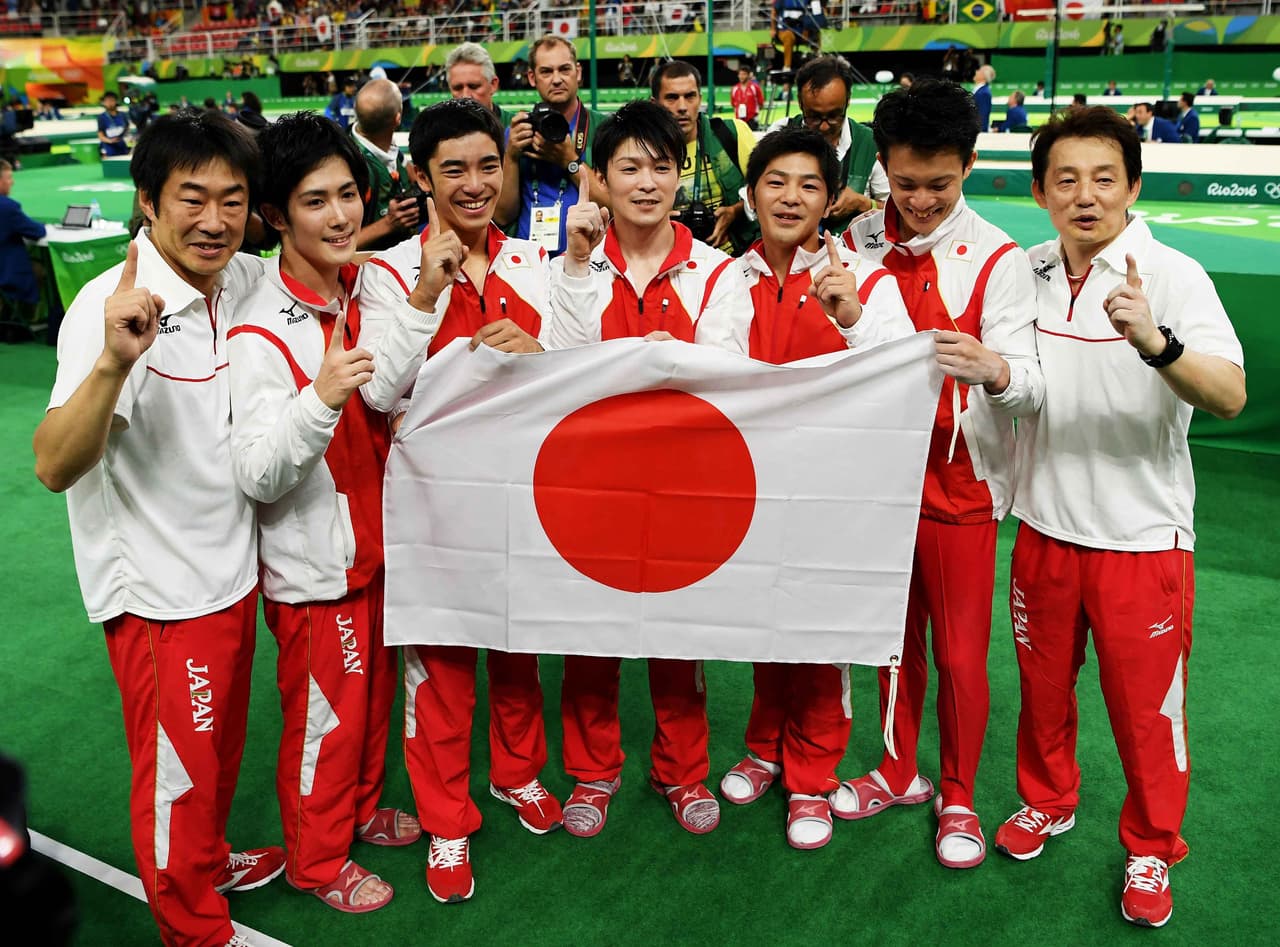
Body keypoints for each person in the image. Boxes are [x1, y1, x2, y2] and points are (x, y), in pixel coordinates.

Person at [32, 108, 284, 947]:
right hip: (162, 597)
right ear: (148, 200)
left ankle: (206, 858)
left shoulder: (241, 277)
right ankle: (193, 925)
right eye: (191, 197)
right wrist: (113, 361)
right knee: (177, 772)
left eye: (232, 198)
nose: (214, 219)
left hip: (231, 572)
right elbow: (54, 464)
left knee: (211, 755)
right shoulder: (109, 310)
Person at [1000, 105, 1245, 929]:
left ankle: (1151, 843)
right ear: (1040, 192)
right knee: (1041, 693)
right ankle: (1048, 800)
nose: (1086, 196)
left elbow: (1231, 396)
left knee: (1147, 711)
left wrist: (1157, 342)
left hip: (1142, 542)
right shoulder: (1024, 271)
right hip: (1042, 527)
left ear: (1133, 186)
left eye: (1105, 178)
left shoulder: (1172, 275)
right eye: (1065, 179)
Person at [834, 78, 1043, 871]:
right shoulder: (853, 243)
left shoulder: (998, 257)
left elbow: (1031, 382)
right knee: (889, 642)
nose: (920, 201)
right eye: (906, 183)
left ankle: (957, 789)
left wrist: (995, 370)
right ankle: (896, 768)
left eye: (940, 184)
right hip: (875, 484)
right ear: (881, 164)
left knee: (957, 653)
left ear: (970, 166)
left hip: (960, 488)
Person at [226, 111, 430, 917]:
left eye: (349, 194)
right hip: (315, 566)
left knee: (372, 700)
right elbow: (259, 472)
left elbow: (386, 391)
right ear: (275, 215)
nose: (342, 215)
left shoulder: (365, 283)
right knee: (327, 721)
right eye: (316, 201)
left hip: (379, 545)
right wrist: (321, 398)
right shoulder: (257, 328)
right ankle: (317, 858)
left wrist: (420, 299)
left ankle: (363, 807)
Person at [359, 98, 555, 906]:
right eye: (454, 171)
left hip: (520, 495)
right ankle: (445, 816)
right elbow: (376, 394)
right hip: (432, 507)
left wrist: (538, 355)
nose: (475, 185)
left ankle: (517, 771)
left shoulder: (537, 263)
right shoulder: (384, 273)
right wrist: (426, 301)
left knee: (517, 644)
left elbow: (578, 374)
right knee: (439, 667)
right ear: (419, 175)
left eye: (488, 166)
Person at [547, 100, 754, 838]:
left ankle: (682, 770)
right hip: (591, 486)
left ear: (680, 174)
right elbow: (559, 368)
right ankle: (592, 771)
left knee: (678, 636)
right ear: (598, 179)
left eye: (661, 167)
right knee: (589, 639)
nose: (646, 183)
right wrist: (575, 268)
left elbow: (721, 375)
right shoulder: (569, 266)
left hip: (682, 487)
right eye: (628, 168)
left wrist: (651, 371)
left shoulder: (717, 272)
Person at [718, 125, 913, 850]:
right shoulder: (723, 277)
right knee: (766, 626)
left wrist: (854, 318)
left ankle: (811, 774)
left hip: (834, 495)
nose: (790, 197)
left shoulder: (866, 277)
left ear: (831, 199)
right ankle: (766, 745)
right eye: (775, 181)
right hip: (752, 493)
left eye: (809, 185)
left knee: (820, 635)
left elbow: (904, 372)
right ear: (751, 193)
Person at [496, 34, 608, 256]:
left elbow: (614, 207)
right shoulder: (518, 133)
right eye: (546, 71)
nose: (556, 79)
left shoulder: (604, 129)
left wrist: (569, 160)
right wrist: (511, 156)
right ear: (531, 77)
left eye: (564, 69)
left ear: (578, 72)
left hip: (592, 260)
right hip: (530, 265)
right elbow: (502, 216)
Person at [766, 56, 889, 234]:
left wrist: (862, 203)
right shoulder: (778, 134)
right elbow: (755, 202)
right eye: (814, 117)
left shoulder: (871, 143)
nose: (823, 127)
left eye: (834, 116)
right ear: (800, 103)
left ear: (848, 101)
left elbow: (898, 211)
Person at [651, 60, 757, 253]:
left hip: (736, 260)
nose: (682, 107)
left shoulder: (733, 133)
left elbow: (770, 192)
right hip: (671, 263)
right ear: (654, 103)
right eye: (672, 98)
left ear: (700, 98)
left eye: (690, 96)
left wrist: (736, 211)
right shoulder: (643, 152)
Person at [352, 78, 420, 251]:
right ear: (398, 118)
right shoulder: (349, 167)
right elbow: (331, 244)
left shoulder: (391, 150)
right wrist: (388, 224)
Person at [0, 158, 46, 329]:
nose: (12, 182)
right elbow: (37, 232)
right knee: (40, 271)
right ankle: (30, 319)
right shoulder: (8, 207)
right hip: (8, 270)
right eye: (9, 177)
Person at [445, 42, 507, 126]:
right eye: (458, 88)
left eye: (473, 86)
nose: (466, 96)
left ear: (493, 84)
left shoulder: (519, 129)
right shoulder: (439, 133)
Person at [731, 63, 765, 130]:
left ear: (749, 75)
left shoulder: (755, 87)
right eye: (740, 74)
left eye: (744, 74)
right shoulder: (734, 88)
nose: (741, 76)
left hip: (752, 121)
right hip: (739, 121)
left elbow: (761, 103)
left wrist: (753, 114)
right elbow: (733, 104)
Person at [97, 91, 129, 157]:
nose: (109, 103)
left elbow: (127, 128)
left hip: (122, 145)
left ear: (116, 101)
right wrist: (110, 141)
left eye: (112, 100)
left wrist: (123, 138)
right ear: (103, 103)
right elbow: (100, 135)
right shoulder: (102, 117)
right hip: (109, 147)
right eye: (107, 101)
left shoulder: (122, 115)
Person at [972, 64, 994, 133]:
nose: (976, 71)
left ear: (984, 76)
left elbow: (982, 116)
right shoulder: (979, 90)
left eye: (979, 70)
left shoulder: (984, 93)